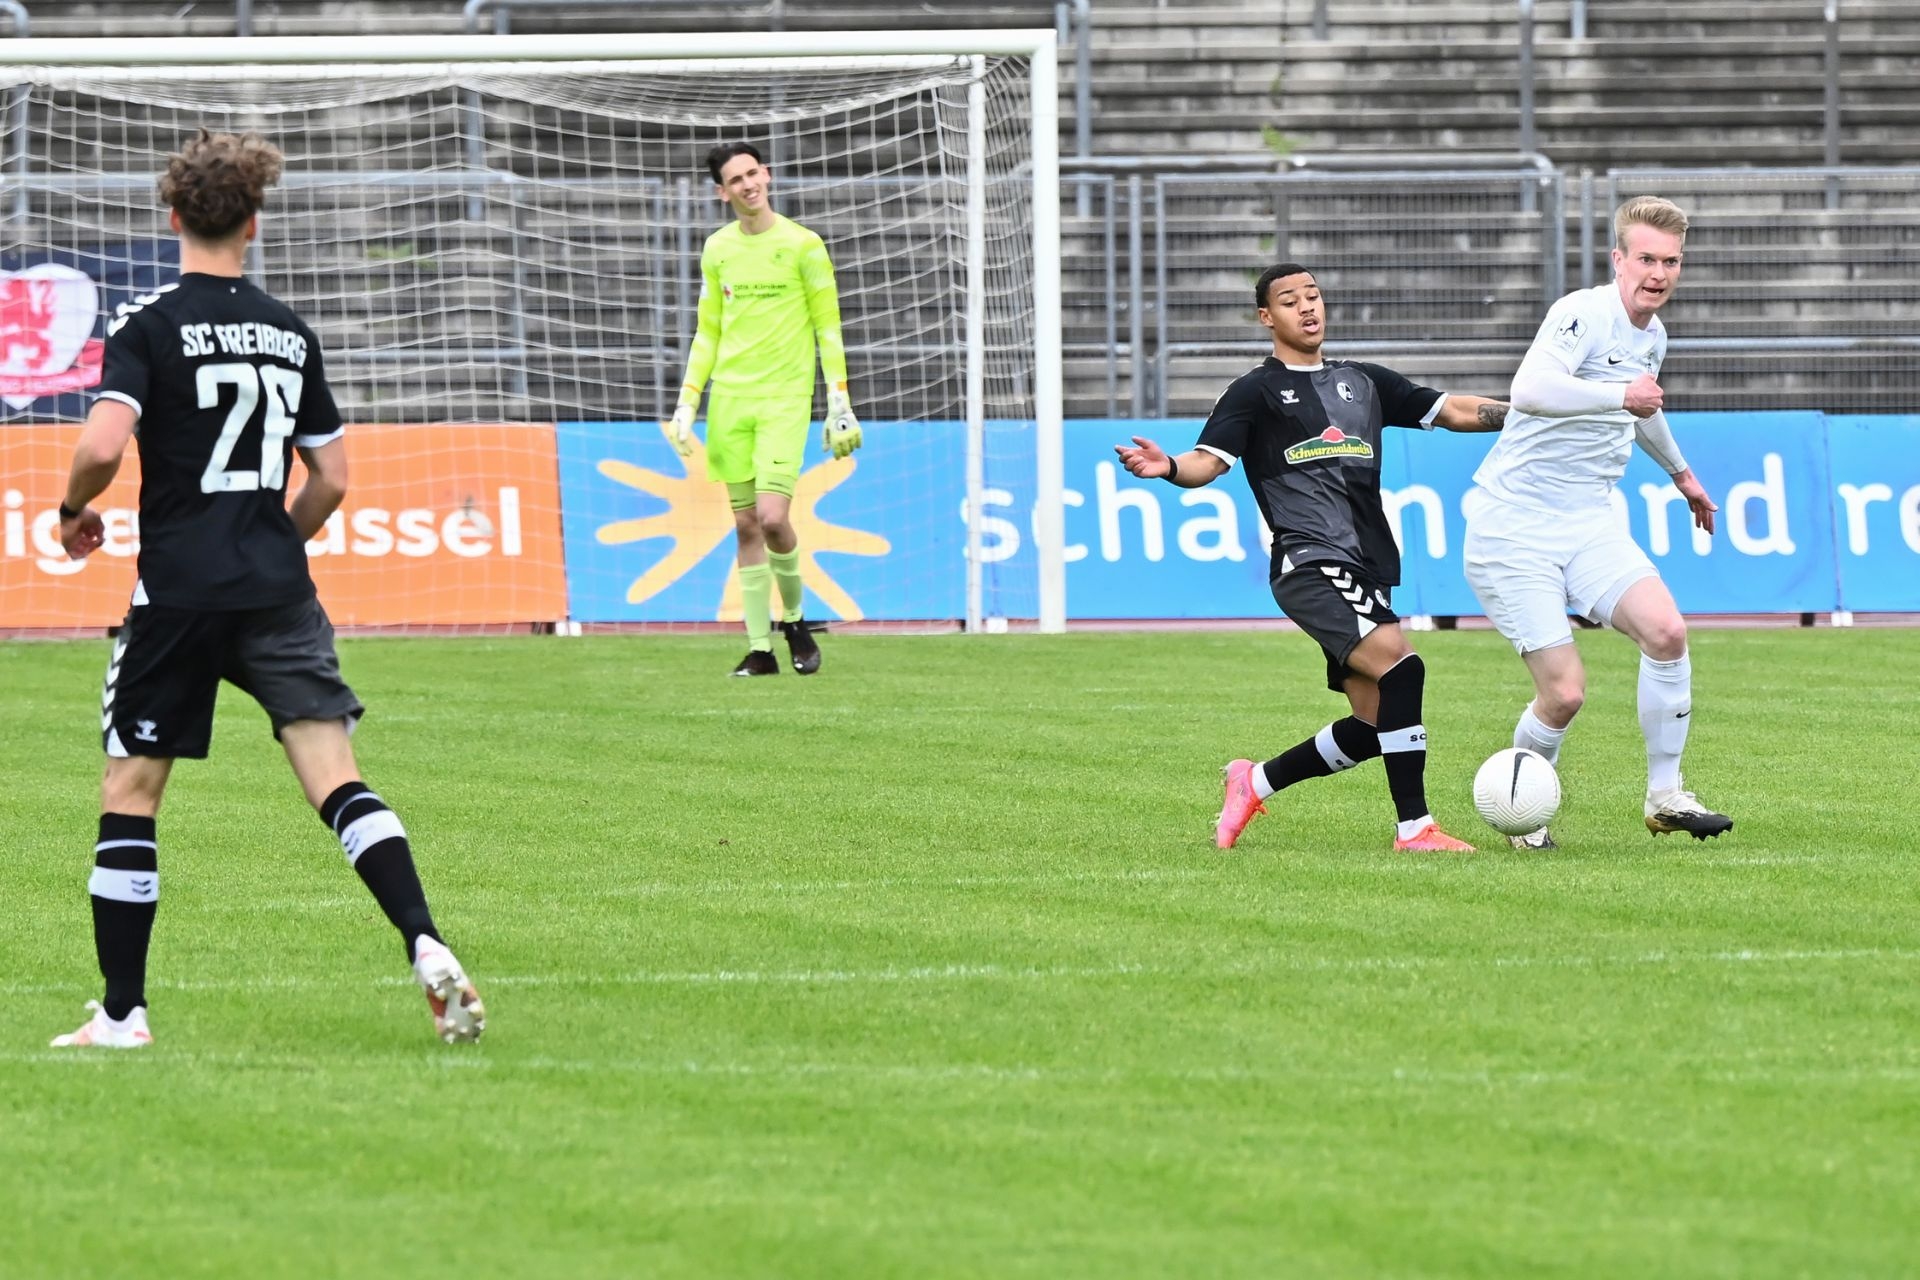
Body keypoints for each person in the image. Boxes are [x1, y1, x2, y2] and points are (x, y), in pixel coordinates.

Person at [49, 130, 484, 1049]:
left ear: (174, 216)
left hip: (179, 593)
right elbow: (331, 478)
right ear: (254, 222)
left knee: (132, 791)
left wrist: (71, 509)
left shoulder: (146, 322)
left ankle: (123, 1015)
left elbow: (100, 445)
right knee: (338, 778)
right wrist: (270, 544)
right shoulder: (289, 331)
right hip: (278, 591)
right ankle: (424, 940)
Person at [1117, 263, 1508, 854]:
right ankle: (1415, 829)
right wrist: (1168, 466)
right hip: (1309, 562)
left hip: (1366, 564)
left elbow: (1453, 410)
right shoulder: (1254, 391)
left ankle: (1254, 782)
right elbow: (1208, 461)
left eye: (1313, 296)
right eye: (1290, 300)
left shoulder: (1364, 381)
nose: (1307, 307)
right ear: (1266, 317)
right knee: (1403, 667)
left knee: (1374, 725)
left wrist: (1529, 415)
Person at [1463, 195, 1731, 848]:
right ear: (1619, 259)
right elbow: (1529, 390)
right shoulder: (1582, 313)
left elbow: (1644, 409)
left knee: (1667, 632)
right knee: (1564, 695)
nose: (1658, 274)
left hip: (1588, 521)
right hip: (1513, 527)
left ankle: (1665, 796)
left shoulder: (1653, 337)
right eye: (1647, 259)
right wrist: (1620, 394)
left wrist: (1682, 475)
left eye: (1671, 262)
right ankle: (1523, 819)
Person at [665, 140, 862, 677]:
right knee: (746, 526)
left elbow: (827, 327)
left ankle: (794, 620)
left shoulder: (803, 245)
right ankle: (759, 649)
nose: (748, 185)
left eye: (753, 173)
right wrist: (688, 401)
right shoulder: (718, 249)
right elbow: (708, 331)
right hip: (730, 402)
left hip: (784, 401)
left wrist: (839, 399)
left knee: (774, 519)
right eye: (736, 180)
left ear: (767, 175)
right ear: (722, 192)